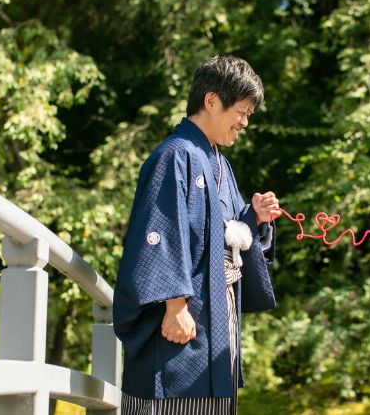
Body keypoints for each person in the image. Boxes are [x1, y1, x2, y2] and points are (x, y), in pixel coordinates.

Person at [113, 55, 282, 415]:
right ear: (211, 101)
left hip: (218, 314)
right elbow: (159, 230)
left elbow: (231, 232)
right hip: (183, 317)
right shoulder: (176, 155)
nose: (245, 122)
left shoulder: (218, 162)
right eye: (241, 111)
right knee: (173, 399)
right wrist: (174, 305)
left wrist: (254, 217)